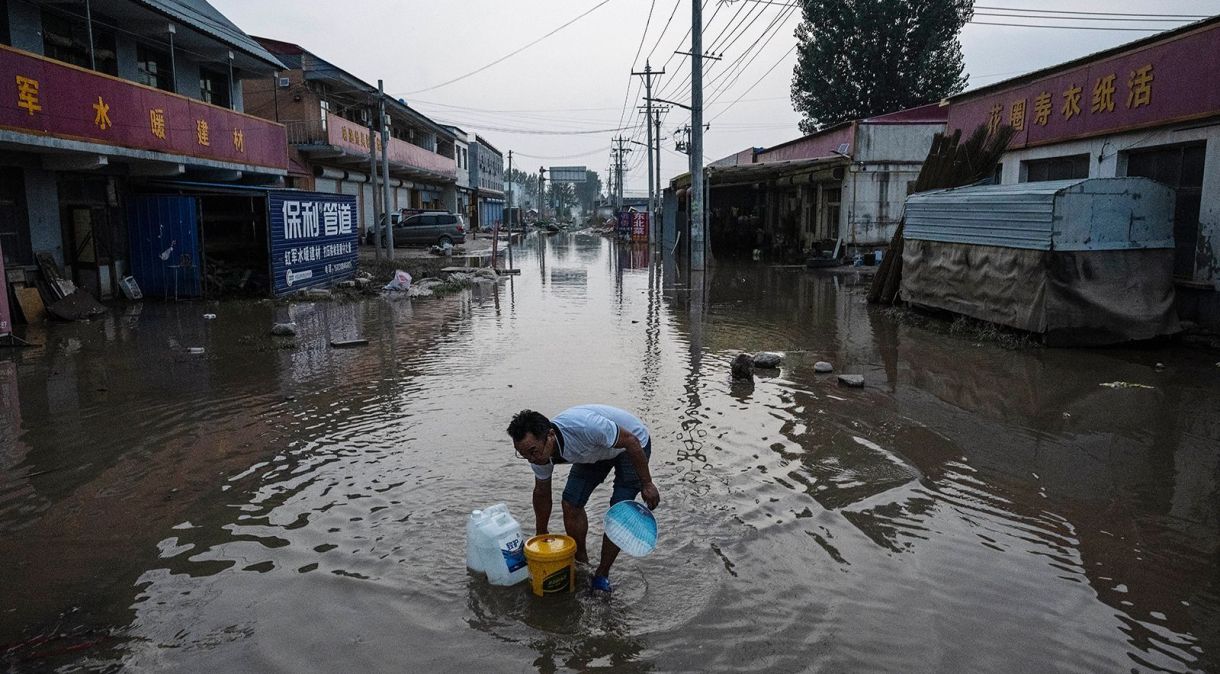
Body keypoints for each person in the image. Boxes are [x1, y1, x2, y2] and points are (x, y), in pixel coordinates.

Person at [507, 405, 659, 594]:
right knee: (570, 503)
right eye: (523, 455)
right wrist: (541, 535)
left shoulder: (585, 427)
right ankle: (581, 562)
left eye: (533, 451)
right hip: (595, 453)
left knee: (619, 511)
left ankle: (602, 574)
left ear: (550, 435)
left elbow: (631, 441)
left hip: (632, 445)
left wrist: (647, 483)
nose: (531, 459)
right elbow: (542, 493)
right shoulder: (539, 455)